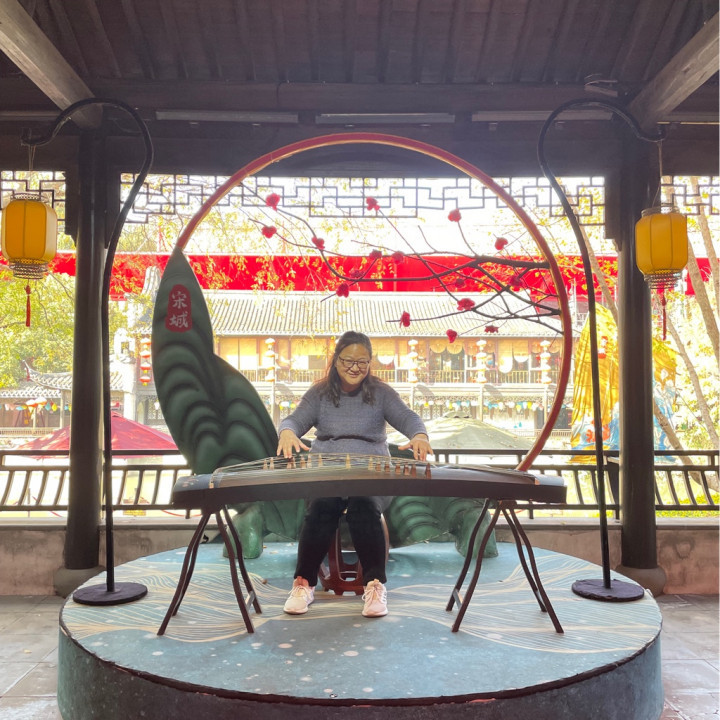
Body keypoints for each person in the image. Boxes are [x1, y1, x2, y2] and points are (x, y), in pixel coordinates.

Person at [276, 331, 433, 618]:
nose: (354, 367)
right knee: (322, 507)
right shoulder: (320, 393)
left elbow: (408, 417)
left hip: (371, 475)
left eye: (362, 362)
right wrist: (287, 432)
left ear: (370, 363)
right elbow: (294, 420)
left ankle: (375, 585)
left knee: (363, 506)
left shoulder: (381, 393)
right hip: (327, 474)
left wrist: (419, 435)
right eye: (348, 360)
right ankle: (303, 583)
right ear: (336, 360)